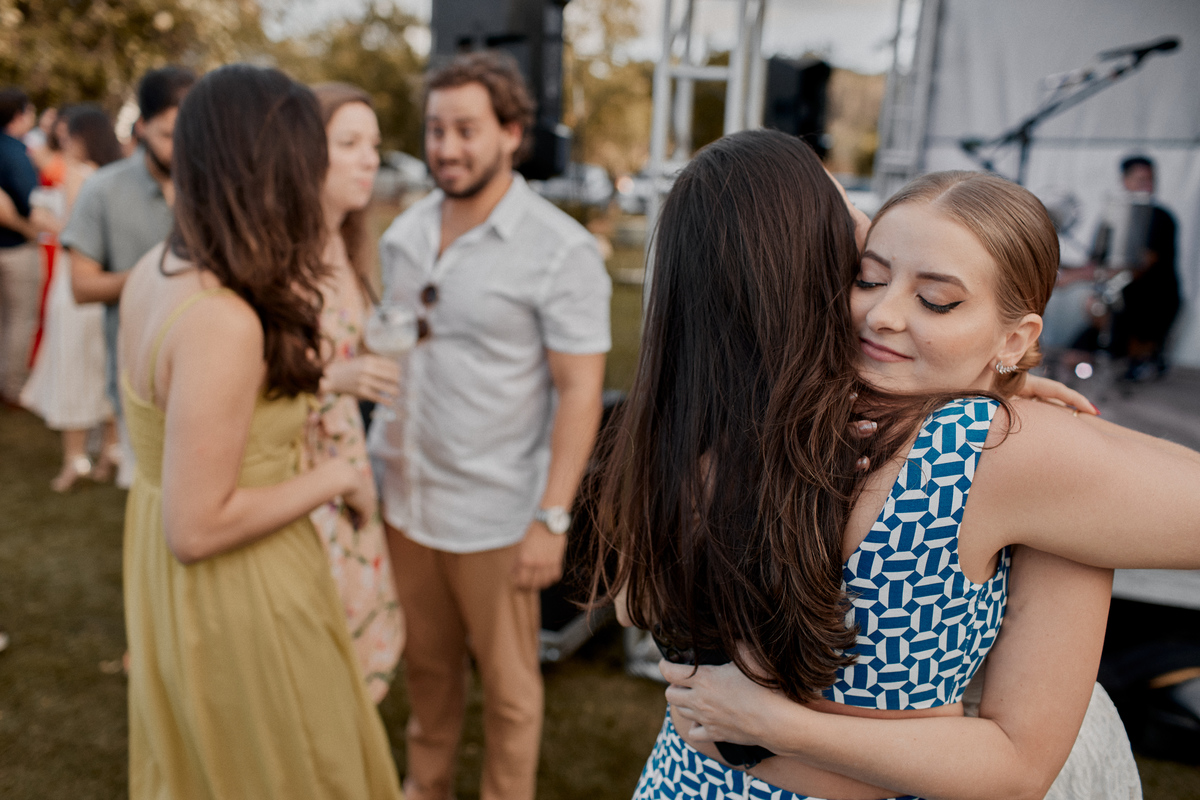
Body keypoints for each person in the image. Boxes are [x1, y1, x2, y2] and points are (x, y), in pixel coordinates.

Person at [594, 131, 1200, 800]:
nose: (881, 314)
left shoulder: (720, 422)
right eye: (866, 275)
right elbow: (1016, 767)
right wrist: (1004, 382)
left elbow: (636, 612)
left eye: (936, 300)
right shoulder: (991, 450)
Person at [116, 64, 402, 799]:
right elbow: (198, 525)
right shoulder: (222, 320)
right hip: (243, 582)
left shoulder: (157, 267)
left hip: (162, 568)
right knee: (298, 764)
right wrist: (337, 478)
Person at [368, 51, 611, 800]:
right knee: (428, 668)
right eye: (436, 129)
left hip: (498, 511)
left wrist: (551, 519)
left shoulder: (560, 250)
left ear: (511, 134)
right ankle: (426, 785)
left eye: (466, 130)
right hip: (402, 494)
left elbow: (580, 392)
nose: (445, 147)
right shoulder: (403, 234)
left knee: (509, 690)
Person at [309, 81, 404, 703]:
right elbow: (244, 380)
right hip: (300, 472)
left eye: (373, 144)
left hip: (350, 454)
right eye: (349, 143)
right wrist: (332, 378)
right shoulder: (276, 257)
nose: (369, 158)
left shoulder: (350, 244)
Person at [61, 65, 195, 486]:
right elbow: (81, 287)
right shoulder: (103, 188)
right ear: (141, 127)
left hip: (207, 371)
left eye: (193, 134)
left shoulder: (212, 183)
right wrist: (157, 274)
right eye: (169, 135)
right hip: (138, 377)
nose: (182, 149)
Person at [21, 105, 123, 491]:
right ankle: (107, 452)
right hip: (105, 286)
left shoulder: (81, 175)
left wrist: (47, 221)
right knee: (106, 368)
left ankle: (76, 457)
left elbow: (75, 233)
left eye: (69, 134)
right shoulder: (116, 177)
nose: (63, 141)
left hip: (78, 287)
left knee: (77, 369)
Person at [1108, 155, 1180, 380]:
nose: (1147, 186)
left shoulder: (1161, 218)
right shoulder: (1112, 216)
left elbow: (1142, 265)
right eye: (1140, 180)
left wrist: (1085, 275)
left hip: (1152, 300)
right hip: (1120, 295)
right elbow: (1098, 257)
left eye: (1150, 180)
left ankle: (1145, 357)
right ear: (1125, 181)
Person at [0, 87, 42, 404]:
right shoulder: (16, 153)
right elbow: (32, 203)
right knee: (19, 319)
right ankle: (13, 388)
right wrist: (31, 230)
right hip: (15, 248)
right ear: (19, 114)